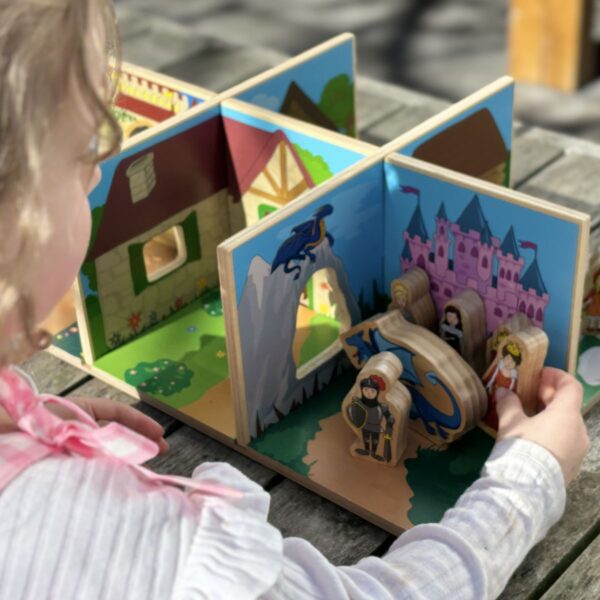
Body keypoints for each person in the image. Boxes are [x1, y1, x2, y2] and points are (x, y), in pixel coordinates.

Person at [0, 1, 590, 598]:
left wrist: (26, 420)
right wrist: (523, 485)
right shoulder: (128, 538)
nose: (100, 173)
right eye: (85, 149)